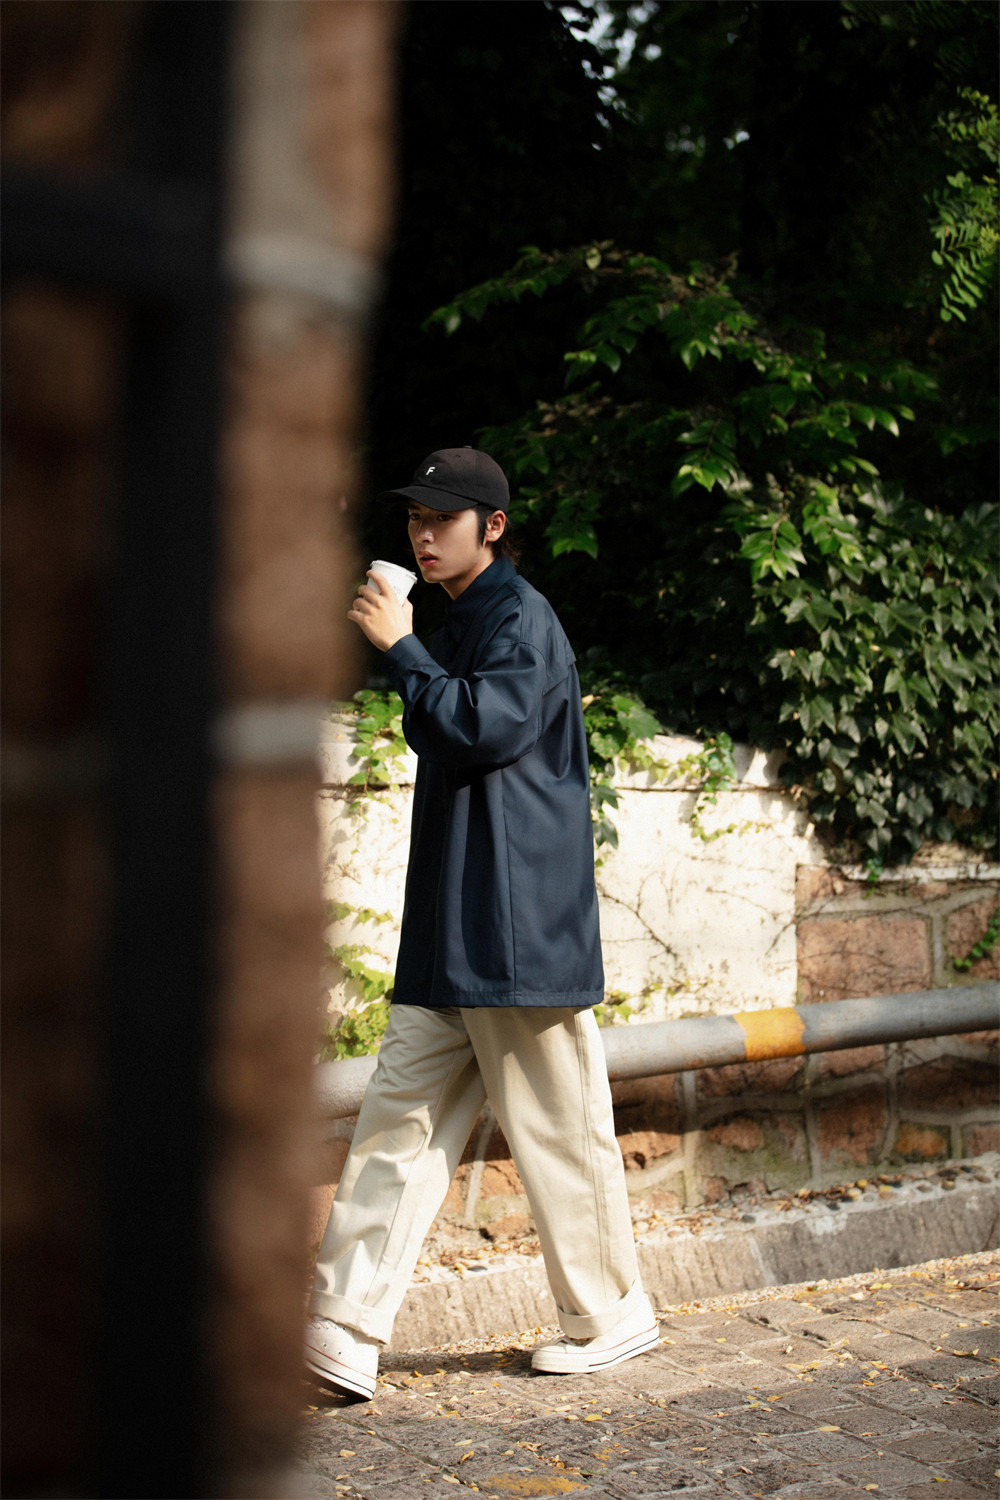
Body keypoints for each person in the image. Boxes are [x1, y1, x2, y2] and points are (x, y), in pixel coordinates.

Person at [305, 447, 658, 1400]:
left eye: (442, 518)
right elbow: (449, 727)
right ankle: (344, 1325)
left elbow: (479, 728)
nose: (422, 534)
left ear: (492, 527)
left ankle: (612, 1314)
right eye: (413, 518)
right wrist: (412, 644)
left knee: (559, 1131)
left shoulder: (520, 618)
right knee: (398, 1121)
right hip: (453, 924)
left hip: (514, 928)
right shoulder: (458, 617)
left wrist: (401, 647)